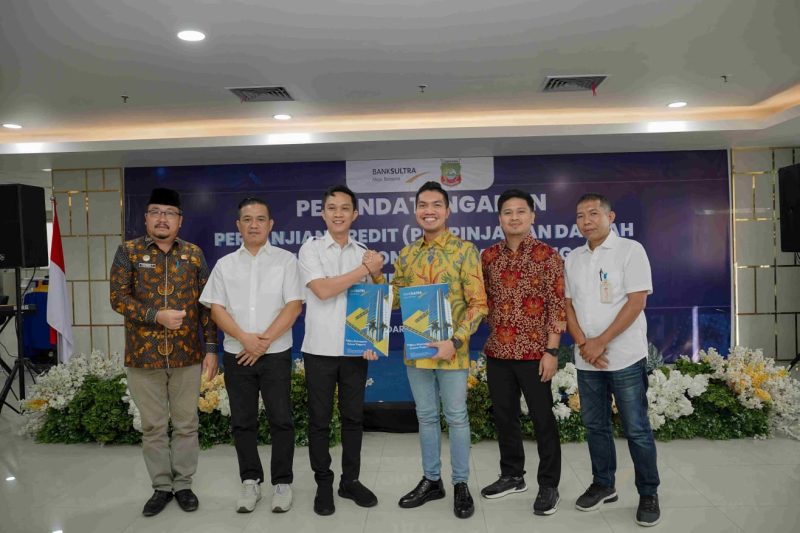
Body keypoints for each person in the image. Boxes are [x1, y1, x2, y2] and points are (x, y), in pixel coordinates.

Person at [110, 187, 218, 517]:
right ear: (146, 218)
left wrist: (211, 348)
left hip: (187, 356)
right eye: (156, 212)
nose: (162, 219)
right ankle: (161, 487)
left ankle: (183, 485)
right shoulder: (128, 252)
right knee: (153, 427)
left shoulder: (194, 255)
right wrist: (155, 315)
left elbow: (207, 305)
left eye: (169, 213)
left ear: (179, 221)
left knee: (187, 425)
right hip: (143, 358)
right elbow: (117, 298)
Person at [199, 197, 303, 514]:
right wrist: (245, 339)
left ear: (271, 224)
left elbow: (293, 306)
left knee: (281, 419)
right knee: (242, 422)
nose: (254, 225)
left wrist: (263, 342)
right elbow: (216, 309)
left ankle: (282, 483)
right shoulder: (225, 265)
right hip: (237, 353)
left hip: (275, 354)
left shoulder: (286, 261)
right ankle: (250, 481)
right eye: (247, 219)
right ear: (238, 225)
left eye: (260, 219)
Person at [391, 181, 488, 519]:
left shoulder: (465, 250)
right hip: (417, 351)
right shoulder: (407, 254)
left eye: (436, 205)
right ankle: (432, 480)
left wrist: (455, 341)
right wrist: (373, 277)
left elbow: (478, 304)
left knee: (457, 417)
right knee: (426, 416)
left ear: (447, 211)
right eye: (423, 205)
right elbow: (394, 300)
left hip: (453, 351)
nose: (428, 211)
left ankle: (461, 484)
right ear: (415, 211)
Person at [564, 193, 661, 527]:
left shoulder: (631, 251)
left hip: (624, 356)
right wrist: (583, 343)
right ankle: (604, 484)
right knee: (595, 426)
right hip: (587, 359)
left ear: (610, 217)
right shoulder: (573, 258)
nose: (586, 221)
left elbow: (636, 303)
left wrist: (601, 342)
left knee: (636, 429)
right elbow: (567, 305)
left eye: (593, 213)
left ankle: (648, 492)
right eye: (580, 216)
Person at [298, 185, 386, 516]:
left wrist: (372, 341)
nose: (338, 214)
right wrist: (366, 269)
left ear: (355, 214)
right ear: (323, 213)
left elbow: (375, 301)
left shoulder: (363, 252)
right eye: (332, 208)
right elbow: (322, 290)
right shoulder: (310, 249)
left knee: (353, 418)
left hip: (354, 352)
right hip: (319, 349)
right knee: (320, 420)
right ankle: (323, 483)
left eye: (345, 208)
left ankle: (350, 481)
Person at [479, 189, 566, 516]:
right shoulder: (488, 257)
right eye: (507, 212)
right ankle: (513, 475)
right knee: (505, 418)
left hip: (535, 354)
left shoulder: (548, 256)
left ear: (532, 216)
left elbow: (557, 306)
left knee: (543, 420)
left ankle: (549, 484)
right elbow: (480, 301)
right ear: (499, 218)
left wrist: (551, 351)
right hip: (498, 352)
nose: (514, 217)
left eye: (520, 211)